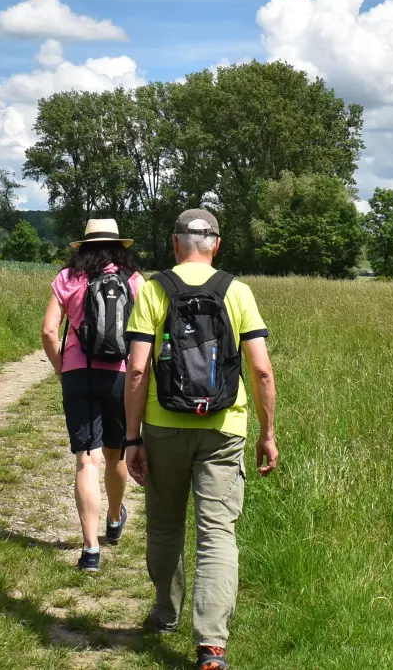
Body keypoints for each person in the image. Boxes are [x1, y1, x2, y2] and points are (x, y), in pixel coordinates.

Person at [123, 209, 278, 670]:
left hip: (163, 424)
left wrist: (132, 438)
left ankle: (165, 612)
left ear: (175, 245)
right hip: (223, 427)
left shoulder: (154, 289)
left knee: (166, 525)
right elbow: (263, 370)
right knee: (216, 532)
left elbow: (135, 370)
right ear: (216, 244)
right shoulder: (237, 291)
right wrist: (267, 433)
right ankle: (212, 646)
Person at [41, 219, 143, 572]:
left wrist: (61, 367)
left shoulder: (68, 278)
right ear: (119, 247)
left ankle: (90, 550)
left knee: (87, 459)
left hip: (78, 374)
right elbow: (145, 336)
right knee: (117, 454)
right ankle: (114, 519)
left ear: (82, 245)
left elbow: (49, 331)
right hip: (119, 376)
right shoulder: (133, 280)